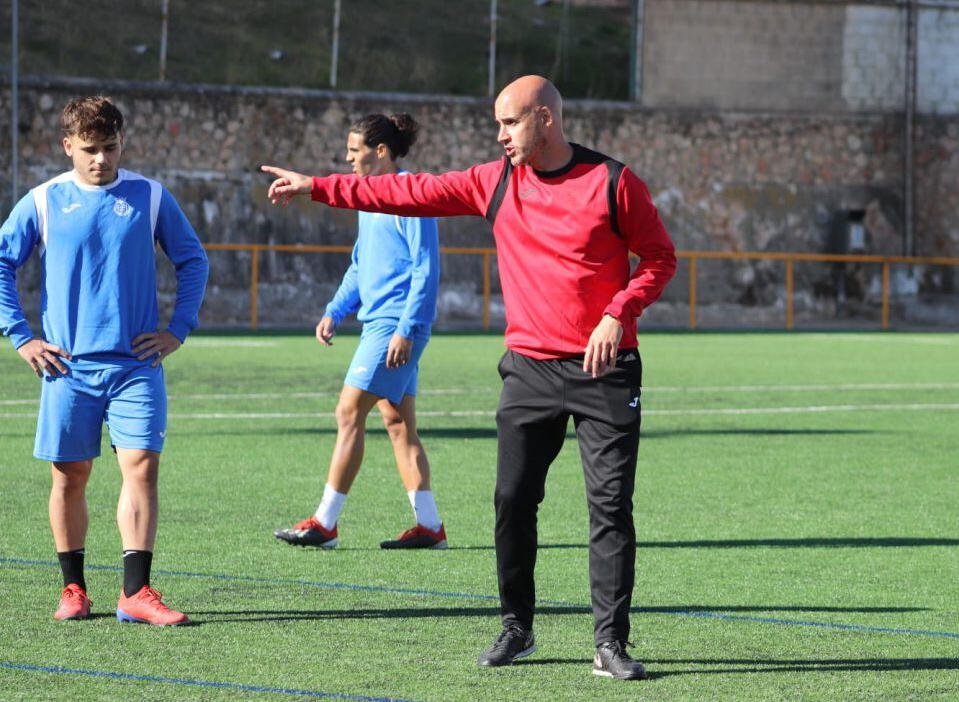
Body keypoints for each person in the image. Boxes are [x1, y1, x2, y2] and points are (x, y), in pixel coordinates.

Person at [262, 75, 676, 681]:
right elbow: (410, 194)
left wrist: (619, 312)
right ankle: (518, 628)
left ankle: (609, 643)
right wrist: (318, 187)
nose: (500, 135)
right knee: (512, 502)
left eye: (509, 123)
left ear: (545, 119)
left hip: (604, 372)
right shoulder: (495, 180)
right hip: (529, 371)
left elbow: (660, 256)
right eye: (498, 125)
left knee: (609, 508)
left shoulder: (613, 181)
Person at [0, 96, 209, 626]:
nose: (100, 160)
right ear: (68, 145)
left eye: (110, 148)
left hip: (137, 365)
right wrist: (22, 336)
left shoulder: (151, 197)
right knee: (70, 476)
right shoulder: (44, 201)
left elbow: (193, 259)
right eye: (89, 149)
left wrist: (178, 329)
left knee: (141, 468)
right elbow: (2, 261)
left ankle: (135, 594)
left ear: (123, 143)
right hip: (67, 368)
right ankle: (73, 589)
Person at [273, 113, 446, 551]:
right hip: (381, 322)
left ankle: (325, 523)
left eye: (355, 152)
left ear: (381, 152)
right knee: (398, 424)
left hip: (395, 325)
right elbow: (359, 263)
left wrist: (407, 329)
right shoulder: (369, 199)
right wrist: (335, 309)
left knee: (349, 411)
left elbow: (426, 268)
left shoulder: (411, 195)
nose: (348, 159)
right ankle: (430, 527)